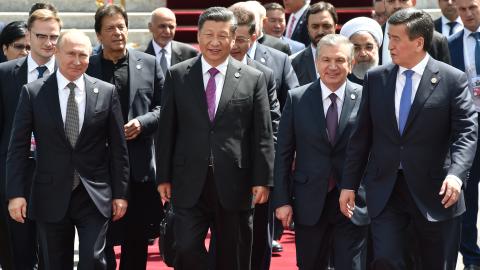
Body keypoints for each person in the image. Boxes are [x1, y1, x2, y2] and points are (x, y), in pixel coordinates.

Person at [339, 8, 477, 269]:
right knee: (387, 260)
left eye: (396, 39)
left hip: (437, 192)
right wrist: (349, 184)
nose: (389, 45)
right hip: (386, 191)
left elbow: (467, 132)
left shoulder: (452, 79)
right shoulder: (376, 78)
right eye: (388, 38)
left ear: (418, 42)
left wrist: (456, 175)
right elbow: (361, 137)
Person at [156, 7, 274, 270]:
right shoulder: (178, 75)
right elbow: (167, 130)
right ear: (198, 36)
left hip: (235, 181)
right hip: (188, 181)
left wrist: (263, 179)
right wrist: (163, 175)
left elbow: (262, 134)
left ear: (234, 38)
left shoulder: (253, 79)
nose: (215, 41)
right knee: (185, 248)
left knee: (232, 255)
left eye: (222, 35)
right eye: (208, 34)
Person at [6, 29, 130, 270]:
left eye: (83, 55)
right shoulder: (33, 93)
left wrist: (121, 194)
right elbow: (18, 147)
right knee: (54, 263)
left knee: (93, 260)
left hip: (94, 194)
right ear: (57, 53)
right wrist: (15, 193)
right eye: (70, 53)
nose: (76, 61)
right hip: (49, 194)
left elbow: (118, 149)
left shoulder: (106, 92)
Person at [274, 33, 368, 270]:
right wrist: (282, 200)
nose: (332, 67)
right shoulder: (297, 99)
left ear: (351, 63)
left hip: (353, 200)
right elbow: (283, 154)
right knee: (310, 264)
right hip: (309, 200)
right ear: (316, 63)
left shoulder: (366, 98)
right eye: (326, 60)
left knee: (350, 265)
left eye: (340, 60)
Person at [85, 4, 165, 270]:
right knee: (99, 241)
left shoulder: (150, 64)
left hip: (138, 166)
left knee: (136, 240)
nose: (117, 32)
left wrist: (142, 123)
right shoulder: (87, 65)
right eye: (110, 28)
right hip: (98, 168)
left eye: (121, 26)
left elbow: (164, 107)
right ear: (98, 35)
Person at [0, 9, 59, 270]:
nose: (48, 43)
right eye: (41, 36)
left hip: (60, 174)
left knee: (54, 253)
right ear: (30, 36)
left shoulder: (72, 69)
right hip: (17, 173)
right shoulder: (5, 73)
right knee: (20, 252)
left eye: (54, 36)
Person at [448, 1, 480, 269]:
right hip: (469, 127)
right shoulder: (452, 44)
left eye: (473, 7)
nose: (468, 14)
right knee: (467, 197)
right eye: (463, 9)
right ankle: (471, 257)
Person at [230, 4, 298, 110]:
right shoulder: (215, 59)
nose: (233, 45)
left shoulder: (280, 60)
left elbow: (293, 102)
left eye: (240, 39)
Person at [379, 0, 451, 65]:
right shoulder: (375, 38)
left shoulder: (436, 41)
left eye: (403, 0)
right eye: (391, 1)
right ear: (384, 3)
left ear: (413, 2)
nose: (397, 6)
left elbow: (444, 76)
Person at [291, 1, 337, 86]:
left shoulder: (349, 59)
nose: (320, 31)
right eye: (315, 27)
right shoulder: (293, 63)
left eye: (326, 26)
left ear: (335, 26)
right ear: (308, 28)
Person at [145, 7, 198, 75]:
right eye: (162, 26)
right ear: (150, 27)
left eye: (171, 27)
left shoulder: (190, 53)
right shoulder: (138, 56)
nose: (167, 31)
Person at [340, 17, 383, 85]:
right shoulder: (340, 82)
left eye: (369, 47)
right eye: (356, 48)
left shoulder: (389, 80)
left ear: (377, 47)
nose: (363, 54)